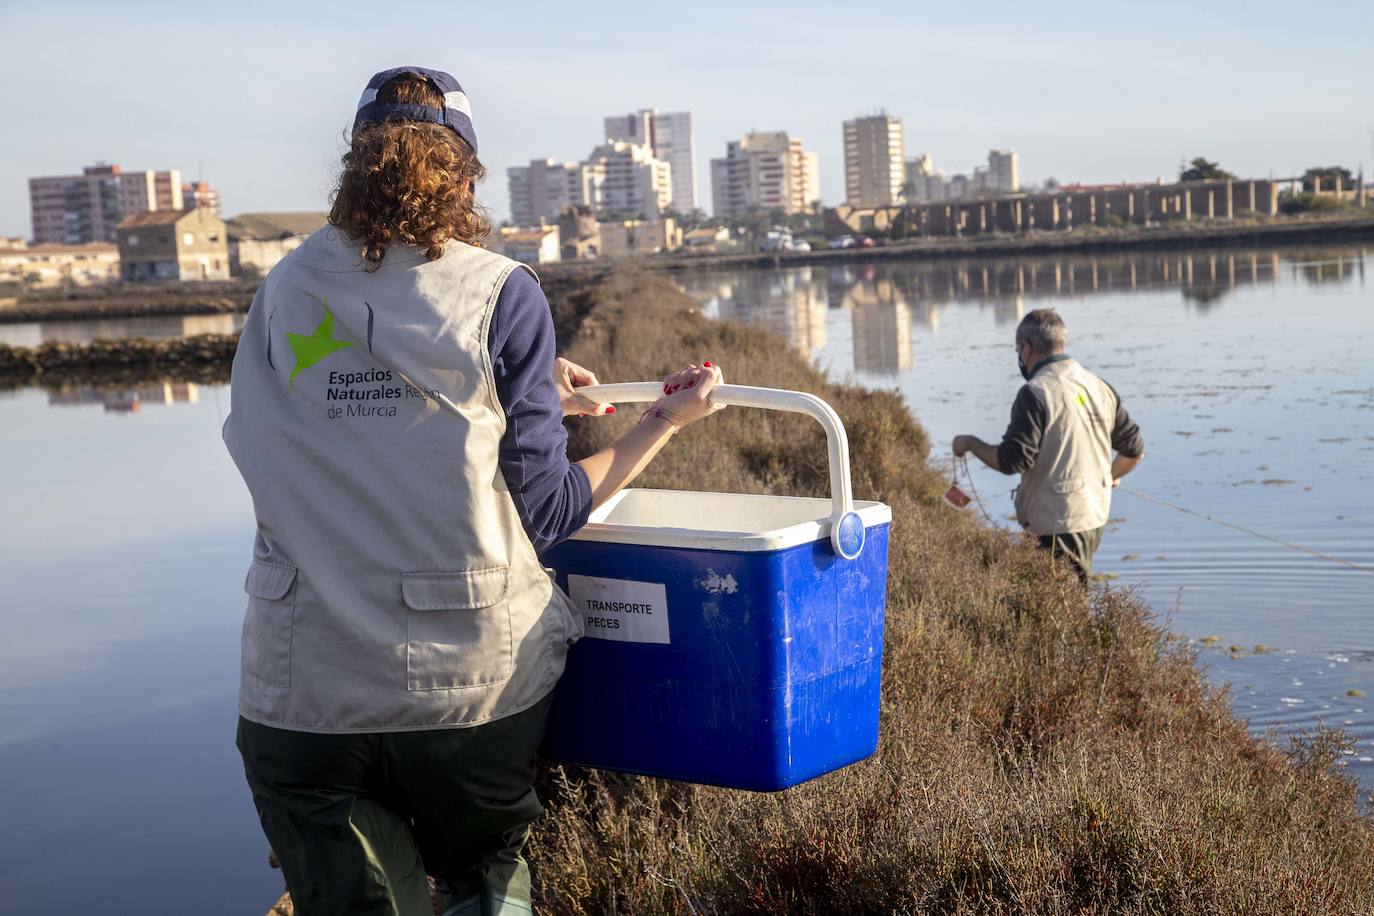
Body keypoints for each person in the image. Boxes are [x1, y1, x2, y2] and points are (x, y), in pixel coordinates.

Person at [222, 66, 723, 916]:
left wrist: (518, 394)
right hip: (465, 693)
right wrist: (663, 424)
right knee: (487, 884)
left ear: (353, 159)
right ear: (464, 172)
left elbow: (319, 419)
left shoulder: (282, 292)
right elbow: (549, 511)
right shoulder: (501, 293)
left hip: (300, 692)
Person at [952, 308, 1143, 581]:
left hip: (1056, 523)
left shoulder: (1036, 392)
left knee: (1063, 609)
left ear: (1027, 348)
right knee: (1069, 600)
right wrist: (1108, 476)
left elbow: (1011, 461)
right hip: (1094, 518)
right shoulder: (1098, 386)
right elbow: (1134, 451)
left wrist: (970, 443)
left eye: (1018, 350)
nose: (1019, 357)